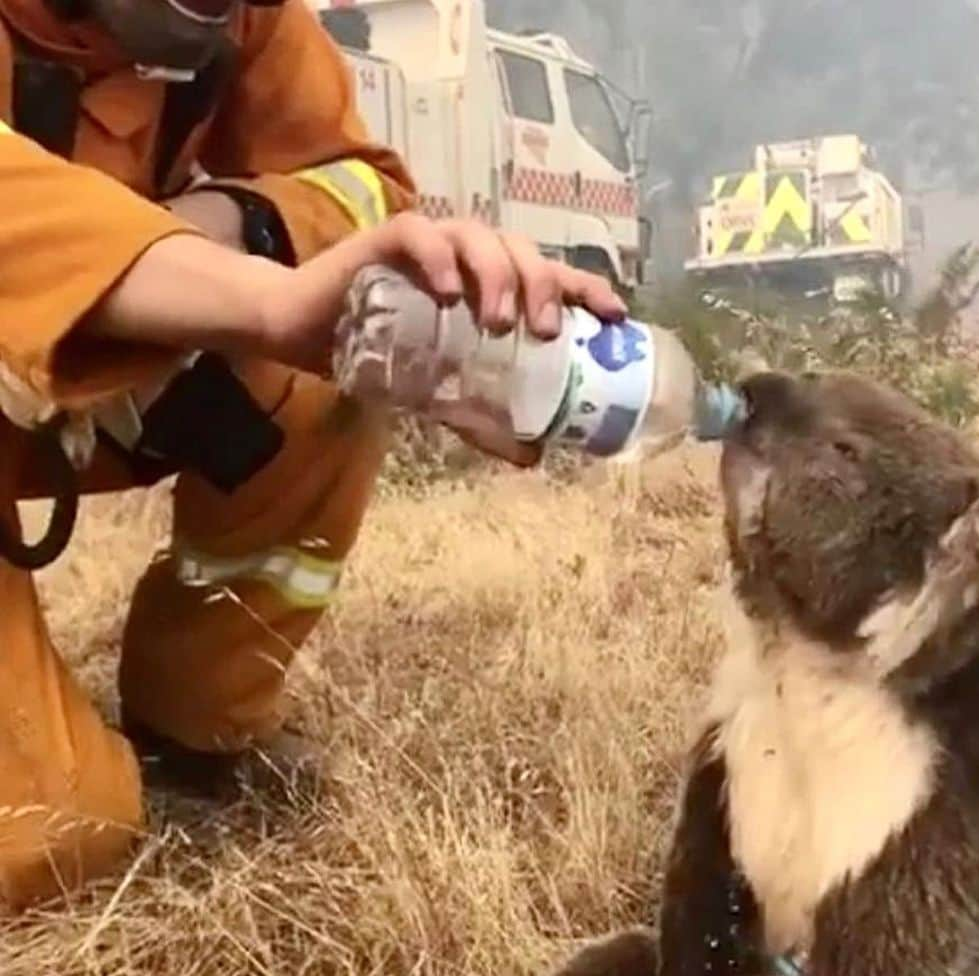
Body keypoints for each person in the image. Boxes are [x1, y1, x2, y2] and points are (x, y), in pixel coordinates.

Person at [0, 0, 625, 911]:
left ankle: (194, 726)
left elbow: (359, 181)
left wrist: (239, 229)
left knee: (346, 372)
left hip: (79, 381)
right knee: (52, 832)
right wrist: (263, 303)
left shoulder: (244, 21)